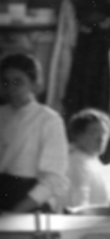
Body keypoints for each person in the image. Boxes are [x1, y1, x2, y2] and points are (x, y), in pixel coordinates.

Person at [0, 53, 69, 213]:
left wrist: (16, 212)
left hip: (30, 201)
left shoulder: (49, 120)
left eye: (18, 81)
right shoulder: (1, 114)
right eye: (5, 82)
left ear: (34, 84)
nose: (11, 88)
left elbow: (53, 179)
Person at [63, 107, 110, 211]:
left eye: (105, 133)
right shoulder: (76, 162)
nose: (101, 138)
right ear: (78, 135)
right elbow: (78, 207)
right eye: (94, 132)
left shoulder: (91, 160)